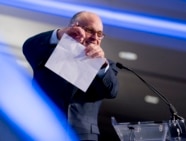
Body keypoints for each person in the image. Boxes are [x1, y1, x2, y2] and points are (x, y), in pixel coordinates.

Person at [22, 11, 119, 141]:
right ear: (74, 27)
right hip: (43, 129)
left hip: (82, 136)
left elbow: (112, 91)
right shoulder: (50, 52)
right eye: (90, 30)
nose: (95, 38)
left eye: (100, 34)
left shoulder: (106, 65)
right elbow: (29, 47)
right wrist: (60, 34)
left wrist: (100, 64)